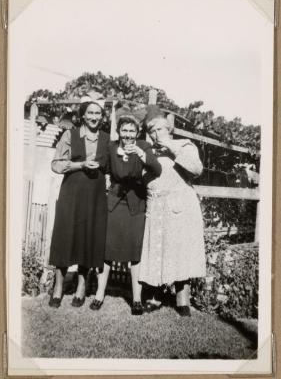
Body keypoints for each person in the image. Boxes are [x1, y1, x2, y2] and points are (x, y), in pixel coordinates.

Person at [90, 112, 162, 315]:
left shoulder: (144, 147)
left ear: (137, 132)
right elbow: (102, 165)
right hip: (113, 204)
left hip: (135, 205)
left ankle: (136, 299)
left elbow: (157, 169)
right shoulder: (111, 147)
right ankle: (99, 295)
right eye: (125, 130)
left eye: (132, 130)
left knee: (134, 253)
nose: (128, 134)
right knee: (106, 251)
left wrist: (141, 154)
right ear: (119, 132)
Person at [139, 108, 206, 316]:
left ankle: (182, 299)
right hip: (155, 205)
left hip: (179, 206)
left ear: (169, 129)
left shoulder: (184, 145)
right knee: (156, 250)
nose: (156, 134)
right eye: (152, 130)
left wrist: (169, 145)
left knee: (178, 251)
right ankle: (154, 296)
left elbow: (196, 169)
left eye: (160, 129)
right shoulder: (146, 151)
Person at [48, 101, 109, 308]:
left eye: (98, 114)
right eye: (90, 113)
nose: (94, 117)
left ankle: (82, 287)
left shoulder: (107, 139)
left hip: (95, 197)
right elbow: (56, 164)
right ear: (83, 116)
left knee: (88, 239)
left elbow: (113, 168)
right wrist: (80, 164)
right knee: (64, 238)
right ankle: (58, 287)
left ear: (102, 117)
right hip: (71, 194)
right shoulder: (70, 135)